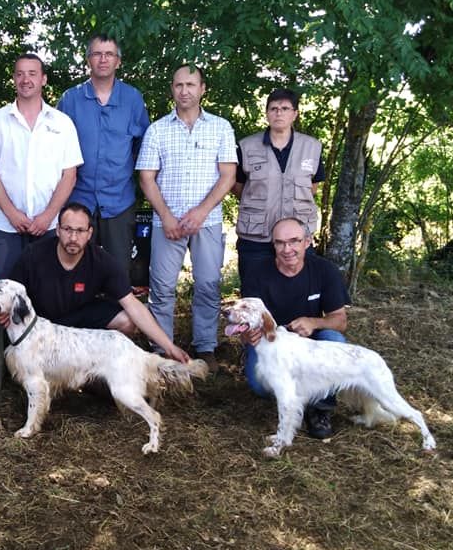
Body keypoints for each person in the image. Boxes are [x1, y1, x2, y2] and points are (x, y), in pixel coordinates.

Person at [136, 64, 237, 369]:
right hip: (166, 224)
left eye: (191, 85)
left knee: (208, 284)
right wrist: (166, 216)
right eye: (179, 85)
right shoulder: (157, 129)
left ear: (202, 88)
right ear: (172, 89)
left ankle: (205, 347)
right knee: (162, 288)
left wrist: (201, 211)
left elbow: (228, 175)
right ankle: (161, 348)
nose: (184, 91)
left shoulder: (221, 127)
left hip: (206, 221)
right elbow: (146, 178)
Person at [4, 202, 190, 363]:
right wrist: (1, 311)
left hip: (81, 321)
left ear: (89, 233)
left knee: (126, 320)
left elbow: (132, 304)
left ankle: (98, 366)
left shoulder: (101, 261)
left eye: (80, 231)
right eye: (68, 229)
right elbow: (7, 292)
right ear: (58, 230)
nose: (73, 238)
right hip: (44, 324)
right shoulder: (34, 255)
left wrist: (168, 346)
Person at [0, 52, 84, 281]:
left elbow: (69, 175)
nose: (26, 79)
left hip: (50, 225)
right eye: (20, 74)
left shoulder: (62, 123)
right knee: (7, 290)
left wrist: (48, 216)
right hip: (7, 225)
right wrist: (12, 214)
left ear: (43, 79)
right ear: (14, 78)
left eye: (32, 73)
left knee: (49, 288)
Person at [238, 217, 350, 439]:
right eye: (280, 243)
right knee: (259, 385)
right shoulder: (256, 273)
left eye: (294, 241)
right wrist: (247, 336)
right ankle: (291, 397)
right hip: (271, 343)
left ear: (307, 242)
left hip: (312, 344)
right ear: (273, 245)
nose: (287, 249)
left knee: (335, 341)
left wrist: (314, 322)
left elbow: (340, 321)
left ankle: (320, 408)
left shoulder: (325, 270)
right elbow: (244, 325)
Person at [56, 35, 150, 271]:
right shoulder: (70, 99)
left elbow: (144, 147)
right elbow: (54, 150)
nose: (103, 59)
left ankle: (114, 310)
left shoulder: (132, 99)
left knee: (117, 272)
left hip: (119, 200)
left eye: (109, 54)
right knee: (73, 269)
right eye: (97, 54)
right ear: (88, 59)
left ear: (118, 61)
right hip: (78, 198)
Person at [231, 87, 326, 285]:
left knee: (300, 291)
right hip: (256, 237)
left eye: (284, 108)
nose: (279, 113)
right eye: (273, 108)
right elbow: (237, 185)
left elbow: (313, 187)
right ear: (266, 113)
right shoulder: (246, 146)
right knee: (254, 295)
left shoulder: (312, 147)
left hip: (297, 238)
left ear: (295, 114)